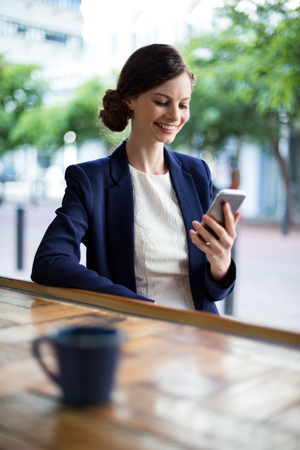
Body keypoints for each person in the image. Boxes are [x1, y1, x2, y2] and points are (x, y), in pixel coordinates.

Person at [31, 44, 240, 314]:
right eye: (161, 102)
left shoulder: (197, 173)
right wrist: (140, 307)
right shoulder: (91, 180)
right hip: (135, 334)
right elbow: (50, 261)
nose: (175, 116)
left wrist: (221, 262)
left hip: (201, 334)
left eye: (183, 104)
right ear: (130, 99)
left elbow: (213, 292)